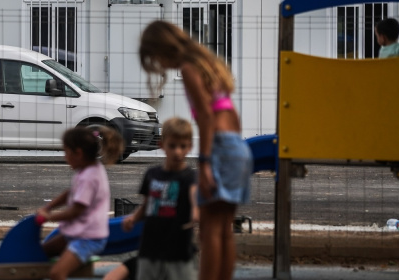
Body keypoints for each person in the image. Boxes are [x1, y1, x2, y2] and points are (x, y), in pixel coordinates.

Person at [139, 20, 252, 280]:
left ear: (163, 48)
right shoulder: (207, 64)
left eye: (155, 57)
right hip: (237, 147)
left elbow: (206, 115)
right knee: (224, 229)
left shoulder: (189, 68)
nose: (158, 64)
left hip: (221, 148)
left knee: (209, 230)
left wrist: (204, 162)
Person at [38, 126, 124, 280]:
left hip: (88, 238)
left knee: (57, 274)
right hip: (77, 233)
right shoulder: (87, 169)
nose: (65, 157)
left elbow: (76, 211)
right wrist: (48, 207)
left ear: (78, 153)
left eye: (66, 152)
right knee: (38, 253)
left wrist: (48, 217)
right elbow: (70, 193)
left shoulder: (89, 177)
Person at [122, 117, 198, 280]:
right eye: (172, 146)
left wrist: (196, 211)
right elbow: (147, 204)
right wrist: (133, 218)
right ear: (162, 145)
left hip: (178, 251)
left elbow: (194, 196)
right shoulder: (152, 174)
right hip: (150, 248)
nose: (177, 151)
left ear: (190, 147)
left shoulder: (190, 177)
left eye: (182, 146)